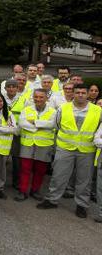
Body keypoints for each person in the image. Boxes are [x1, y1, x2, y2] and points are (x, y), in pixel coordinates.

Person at [37, 85, 100, 218]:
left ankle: (82, 205)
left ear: (88, 94)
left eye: (83, 92)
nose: (81, 95)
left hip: (87, 150)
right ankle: (52, 199)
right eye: (77, 92)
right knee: (59, 175)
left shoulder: (98, 111)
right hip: (64, 148)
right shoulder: (63, 108)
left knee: (84, 179)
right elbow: (57, 125)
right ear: (73, 94)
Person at [15, 89, 56, 201]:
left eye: (41, 97)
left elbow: (52, 124)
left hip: (44, 144)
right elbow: (22, 123)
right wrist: (38, 128)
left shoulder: (53, 111)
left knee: (40, 170)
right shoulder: (27, 109)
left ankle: (35, 190)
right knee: (25, 169)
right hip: (27, 143)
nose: (38, 99)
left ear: (46, 98)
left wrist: (35, 122)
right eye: (36, 97)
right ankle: (22, 191)